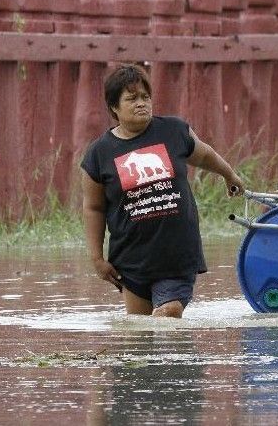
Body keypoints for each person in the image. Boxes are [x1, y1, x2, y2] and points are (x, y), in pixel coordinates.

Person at [81, 64, 244, 318]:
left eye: (145, 97)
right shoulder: (98, 154)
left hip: (176, 255)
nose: (141, 103)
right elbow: (94, 208)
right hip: (132, 261)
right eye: (132, 98)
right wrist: (97, 259)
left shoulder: (173, 131)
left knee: (167, 313)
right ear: (114, 107)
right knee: (140, 336)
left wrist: (229, 174)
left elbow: (204, 155)